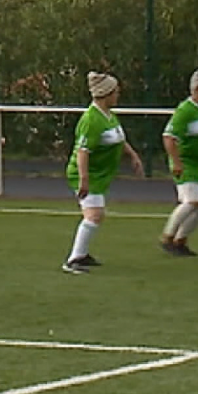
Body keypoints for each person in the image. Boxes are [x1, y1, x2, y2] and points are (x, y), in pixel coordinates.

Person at [61, 71, 145, 274]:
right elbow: (83, 151)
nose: (118, 94)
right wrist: (84, 179)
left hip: (99, 175)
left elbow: (119, 138)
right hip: (86, 174)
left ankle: (81, 254)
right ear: (105, 94)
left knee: (96, 215)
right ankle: (73, 260)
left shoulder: (109, 116)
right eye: (115, 91)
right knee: (94, 215)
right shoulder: (91, 120)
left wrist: (133, 155)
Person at [158, 69, 198, 257]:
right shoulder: (184, 111)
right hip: (188, 164)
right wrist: (177, 162)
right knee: (192, 200)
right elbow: (168, 137)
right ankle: (167, 237)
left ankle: (180, 240)